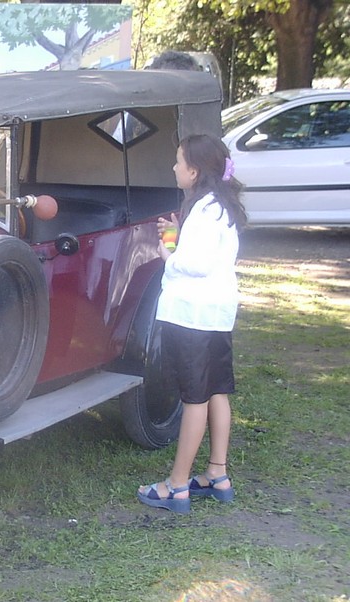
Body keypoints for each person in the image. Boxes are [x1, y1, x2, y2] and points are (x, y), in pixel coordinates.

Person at [137, 133, 247, 514]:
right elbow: (207, 254)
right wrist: (178, 236)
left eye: (178, 161)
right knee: (216, 391)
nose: (174, 167)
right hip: (216, 314)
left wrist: (168, 253)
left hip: (193, 317)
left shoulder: (204, 211)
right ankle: (217, 473)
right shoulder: (220, 206)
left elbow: (194, 264)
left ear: (194, 171)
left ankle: (177, 485)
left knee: (194, 399)